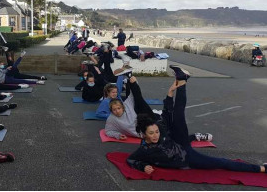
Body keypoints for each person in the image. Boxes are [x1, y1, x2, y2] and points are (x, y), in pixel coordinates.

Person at [127, 66, 266, 175]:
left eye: (156, 132)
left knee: (178, 114)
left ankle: (182, 81)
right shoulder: (144, 149)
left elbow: (167, 116)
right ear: (144, 135)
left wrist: (169, 95)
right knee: (221, 163)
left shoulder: (160, 130)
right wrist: (143, 166)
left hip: (179, 141)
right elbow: (131, 159)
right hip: (187, 157)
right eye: (151, 133)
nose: (155, 135)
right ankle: (262, 169)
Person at [104, 75, 211, 142]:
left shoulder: (126, 106)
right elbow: (108, 131)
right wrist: (118, 135)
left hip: (150, 121)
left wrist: (134, 82)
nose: (117, 111)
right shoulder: (112, 119)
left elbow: (135, 96)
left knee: (139, 101)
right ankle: (195, 136)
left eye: (119, 108)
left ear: (122, 107)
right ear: (111, 111)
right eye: (114, 110)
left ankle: (130, 76)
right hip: (146, 131)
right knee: (174, 136)